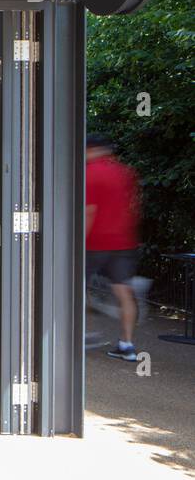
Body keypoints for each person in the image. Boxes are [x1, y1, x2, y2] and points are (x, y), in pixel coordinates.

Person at [86, 133, 142, 361]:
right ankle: (127, 344)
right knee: (124, 293)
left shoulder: (90, 173)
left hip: (95, 242)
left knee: (76, 288)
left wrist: (80, 239)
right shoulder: (127, 173)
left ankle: (83, 334)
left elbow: (89, 211)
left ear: (91, 150)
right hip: (124, 241)